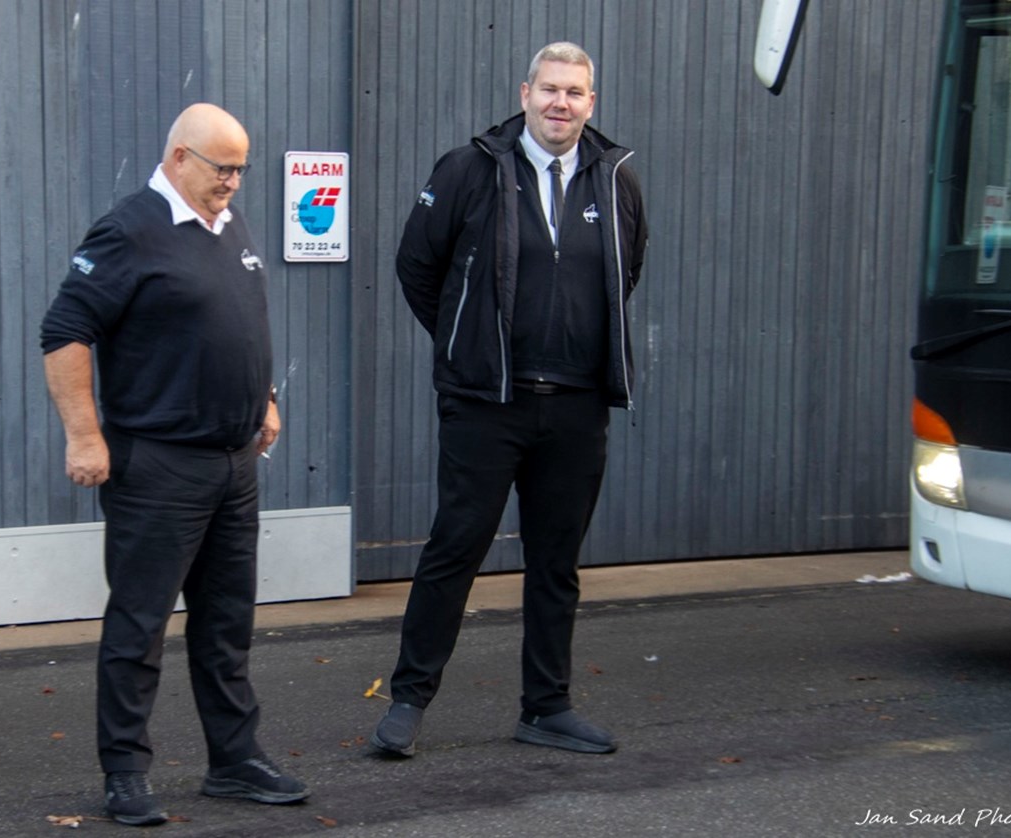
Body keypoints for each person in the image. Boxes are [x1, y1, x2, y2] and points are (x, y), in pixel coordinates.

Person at [371, 42, 649, 757]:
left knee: (557, 563)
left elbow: (626, 270)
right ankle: (408, 701)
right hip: (487, 403)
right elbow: (416, 264)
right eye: (550, 89)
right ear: (525, 93)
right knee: (454, 550)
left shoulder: (614, 179)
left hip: (576, 406)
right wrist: (467, 342)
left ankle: (546, 707)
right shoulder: (469, 170)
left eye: (575, 93)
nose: (561, 103)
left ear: (591, 102)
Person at [40, 103, 308, 826]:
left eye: (241, 170)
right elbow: (64, 332)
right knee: (140, 626)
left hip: (233, 465)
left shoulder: (227, 224)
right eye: (223, 168)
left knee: (226, 623)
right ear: (180, 157)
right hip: (158, 467)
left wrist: (265, 397)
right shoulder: (129, 230)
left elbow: (238, 322)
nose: (233, 182)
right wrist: (84, 436)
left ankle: (235, 760)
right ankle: (125, 771)